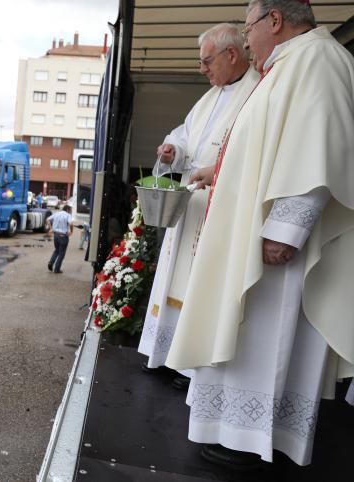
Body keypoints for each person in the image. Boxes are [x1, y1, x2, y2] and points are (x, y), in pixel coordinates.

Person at [168, 0, 354, 467]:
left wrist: (287, 229)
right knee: (246, 330)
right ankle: (233, 431)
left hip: (278, 241)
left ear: (275, 20)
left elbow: (320, 146)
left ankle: (252, 440)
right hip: (254, 230)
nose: (247, 39)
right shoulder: (288, 64)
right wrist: (221, 172)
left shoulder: (317, 58)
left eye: (248, 27)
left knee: (263, 334)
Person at [137, 24, 260, 388]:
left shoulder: (256, 93)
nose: (202, 69)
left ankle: (190, 366)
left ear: (231, 54)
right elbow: (186, 134)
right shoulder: (210, 97)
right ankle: (164, 353)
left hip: (221, 204)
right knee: (174, 279)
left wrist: (217, 171)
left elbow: (254, 151)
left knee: (201, 285)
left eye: (207, 61)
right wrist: (172, 150)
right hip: (191, 203)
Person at [46, 204, 73, 273]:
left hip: (56, 235)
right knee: (61, 253)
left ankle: (51, 262)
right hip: (63, 236)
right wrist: (71, 231)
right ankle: (57, 269)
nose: (71, 212)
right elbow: (71, 224)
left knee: (56, 250)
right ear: (67, 210)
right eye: (70, 210)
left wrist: (51, 228)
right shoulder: (68, 215)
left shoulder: (57, 213)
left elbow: (48, 219)